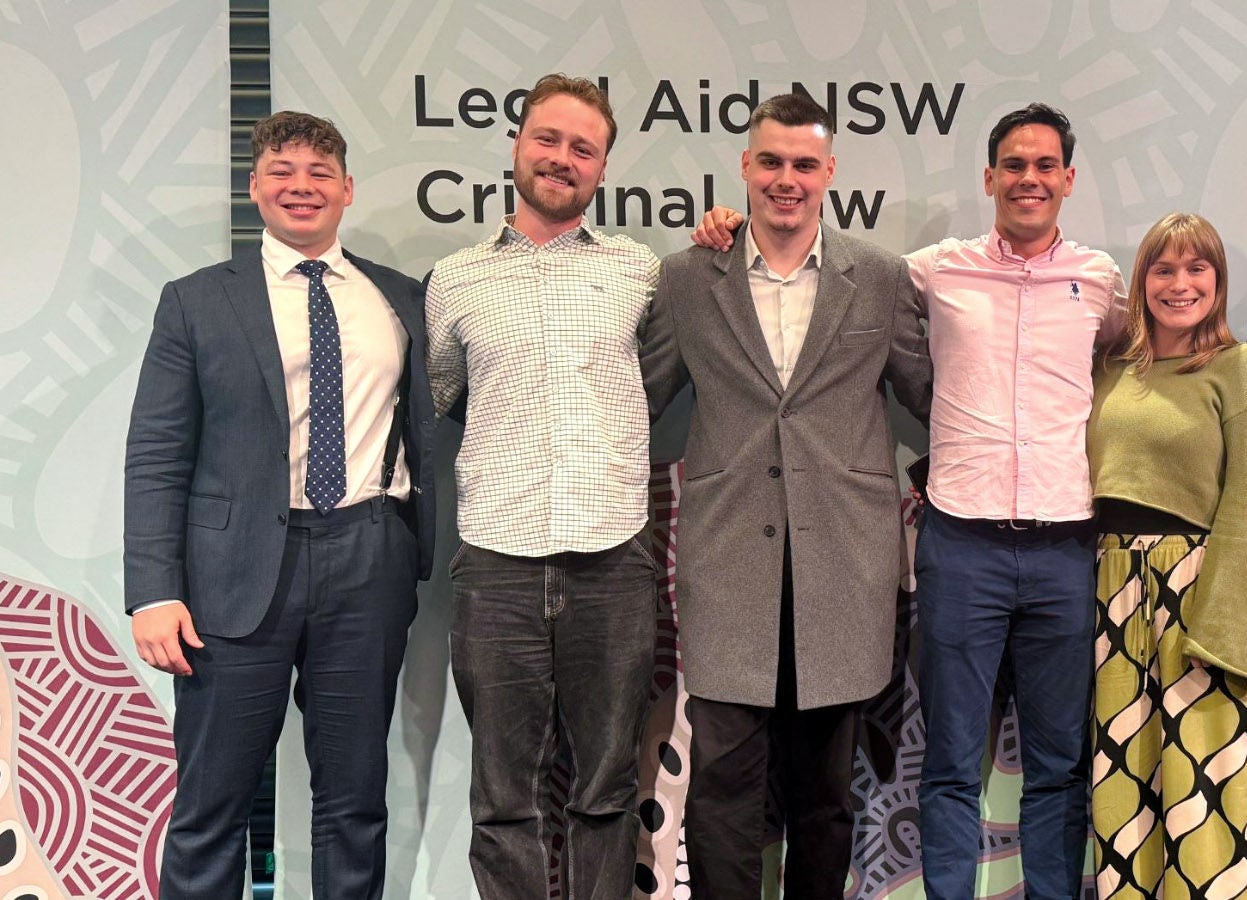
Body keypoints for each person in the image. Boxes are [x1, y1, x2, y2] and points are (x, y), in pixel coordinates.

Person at [692, 102, 1124, 899]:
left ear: (1067, 178)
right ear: (989, 178)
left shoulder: (1101, 284)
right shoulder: (926, 269)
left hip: (1065, 548)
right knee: (953, 764)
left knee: (1060, 766)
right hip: (959, 547)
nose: (1028, 178)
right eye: (1013, 165)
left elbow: (1134, 370)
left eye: (1044, 166)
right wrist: (721, 226)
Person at [124, 110, 435, 900]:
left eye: (319, 173)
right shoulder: (195, 301)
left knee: (354, 803)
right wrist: (155, 590)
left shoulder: (400, 299)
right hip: (233, 575)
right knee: (210, 805)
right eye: (283, 171)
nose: (302, 187)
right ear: (256, 187)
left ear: (348, 189)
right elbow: (158, 452)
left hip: (368, 560)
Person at [640, 92, 933, 899]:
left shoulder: (876, 279)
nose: (786, 179)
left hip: (843, 574)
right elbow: (634, 397)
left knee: (825, 800)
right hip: (729, 571)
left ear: (829, 172)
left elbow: (935, 395)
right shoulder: (689, 279)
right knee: (722, 798)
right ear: (744, 166)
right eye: (770, 161)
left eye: (804, 164)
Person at [426, 73, 660, 899]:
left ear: (603, 168)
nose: (562, 159)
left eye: (582, 148)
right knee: (504, 802)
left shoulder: (642, 273)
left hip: (613, 558)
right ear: (518, 146)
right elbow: (449, 395)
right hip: (496, 563)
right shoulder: (453, 280)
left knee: (605, 791)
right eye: (548, 140)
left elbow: (659, 381)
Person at [1086, 212, 1247, 899]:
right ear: (1141, 283)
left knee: (1209, 798)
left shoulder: (1242, 367)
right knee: (1125, 796)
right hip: (1111, 594)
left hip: (1199, 595)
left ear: (1218, 281)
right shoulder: (1110, 370)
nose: (1179, 284)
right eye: (1163, 269)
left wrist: (1224, 628)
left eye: (1196, 268)